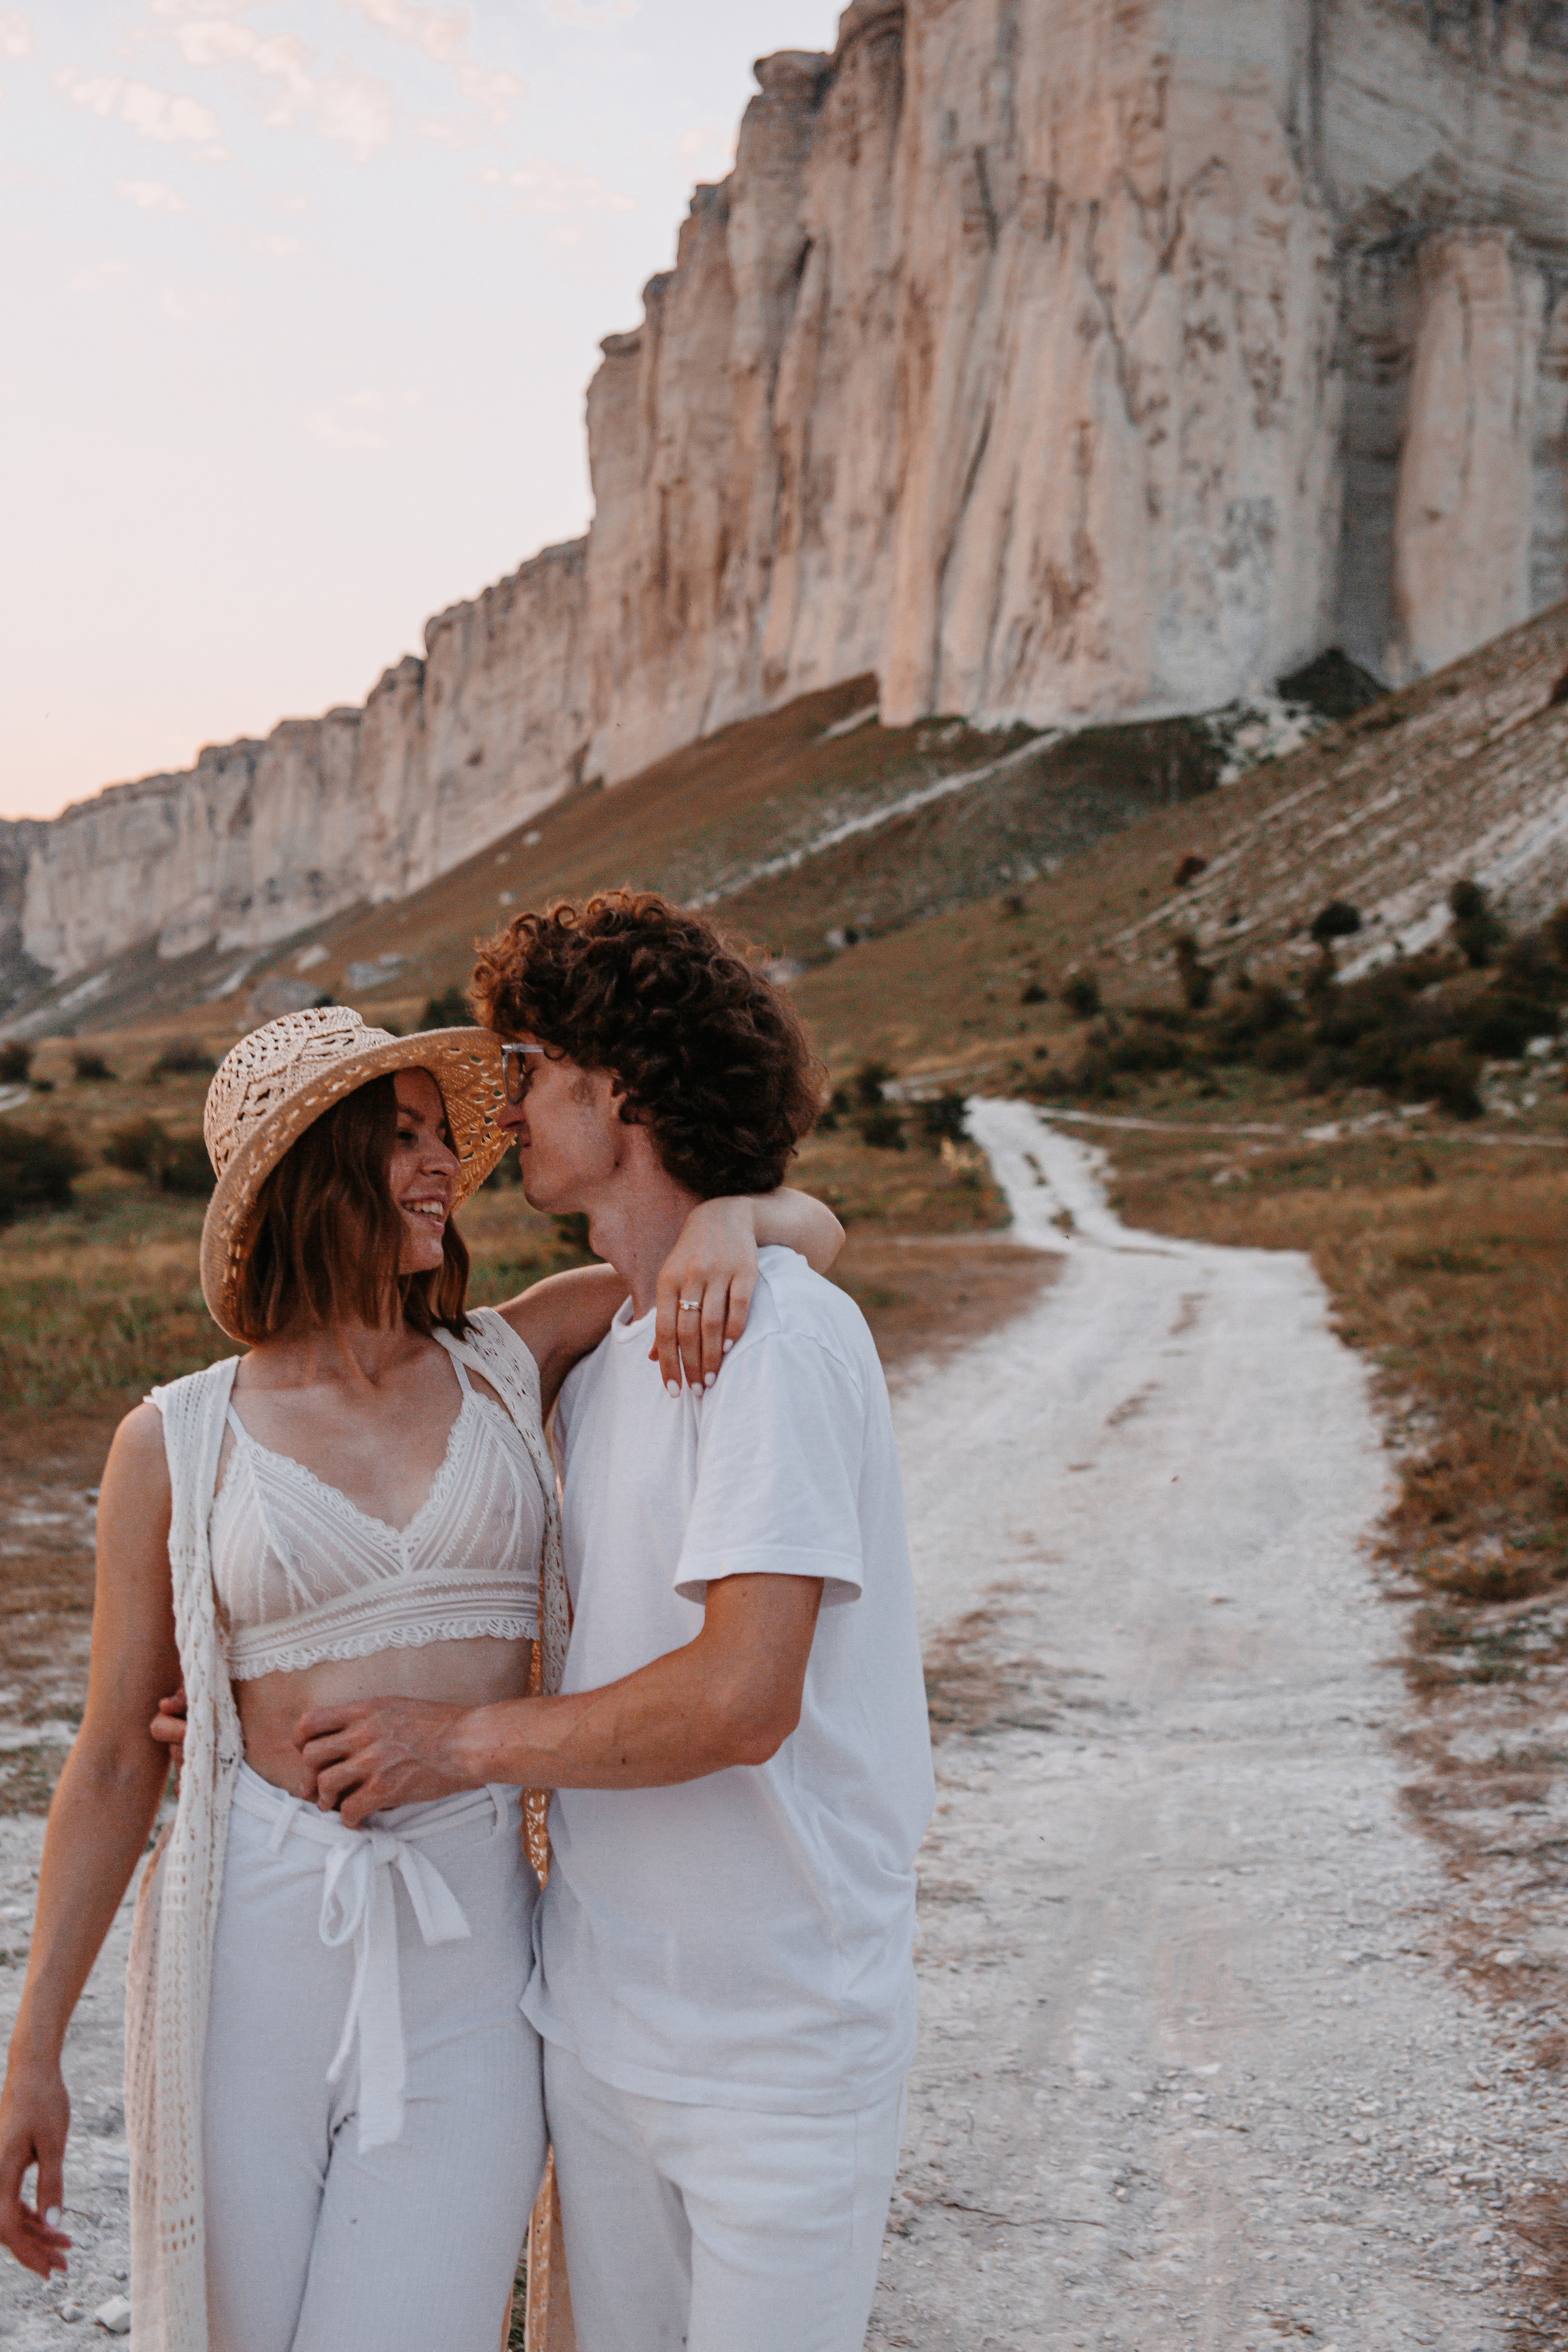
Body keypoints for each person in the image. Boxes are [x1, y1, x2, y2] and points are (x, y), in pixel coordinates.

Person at [0, 1003, 842, 2352]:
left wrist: (729, 1223)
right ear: (305, 1175)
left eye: (447, 1139)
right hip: (250, 1949)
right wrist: (32, 2051)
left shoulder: (517, 1355)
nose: (447, 1166)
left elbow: (817, 1230)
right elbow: (113, 1753)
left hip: (471, 1948)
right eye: (401, 1140)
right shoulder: (176, 1439)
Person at [294, 895, 937, 2352]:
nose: (503, 1106)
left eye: (530, 1063)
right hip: (598, 2025)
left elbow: (737, 1700)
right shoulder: (603, 1353)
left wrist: (450, 1745)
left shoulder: (772, 1338)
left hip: (777, 2043)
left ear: (627, 1085)